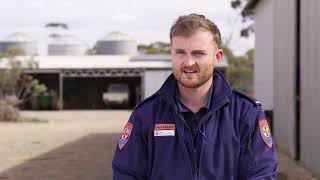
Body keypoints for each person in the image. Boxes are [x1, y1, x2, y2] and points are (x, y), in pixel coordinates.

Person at [112, 13, 278, 179]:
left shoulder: (245, 114)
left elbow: (261, 174)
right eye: (180, 53)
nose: (188, 62)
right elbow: (126, 174)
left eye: (198, 53)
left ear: (217, 57)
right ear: (172, 54)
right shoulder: (145, 115)